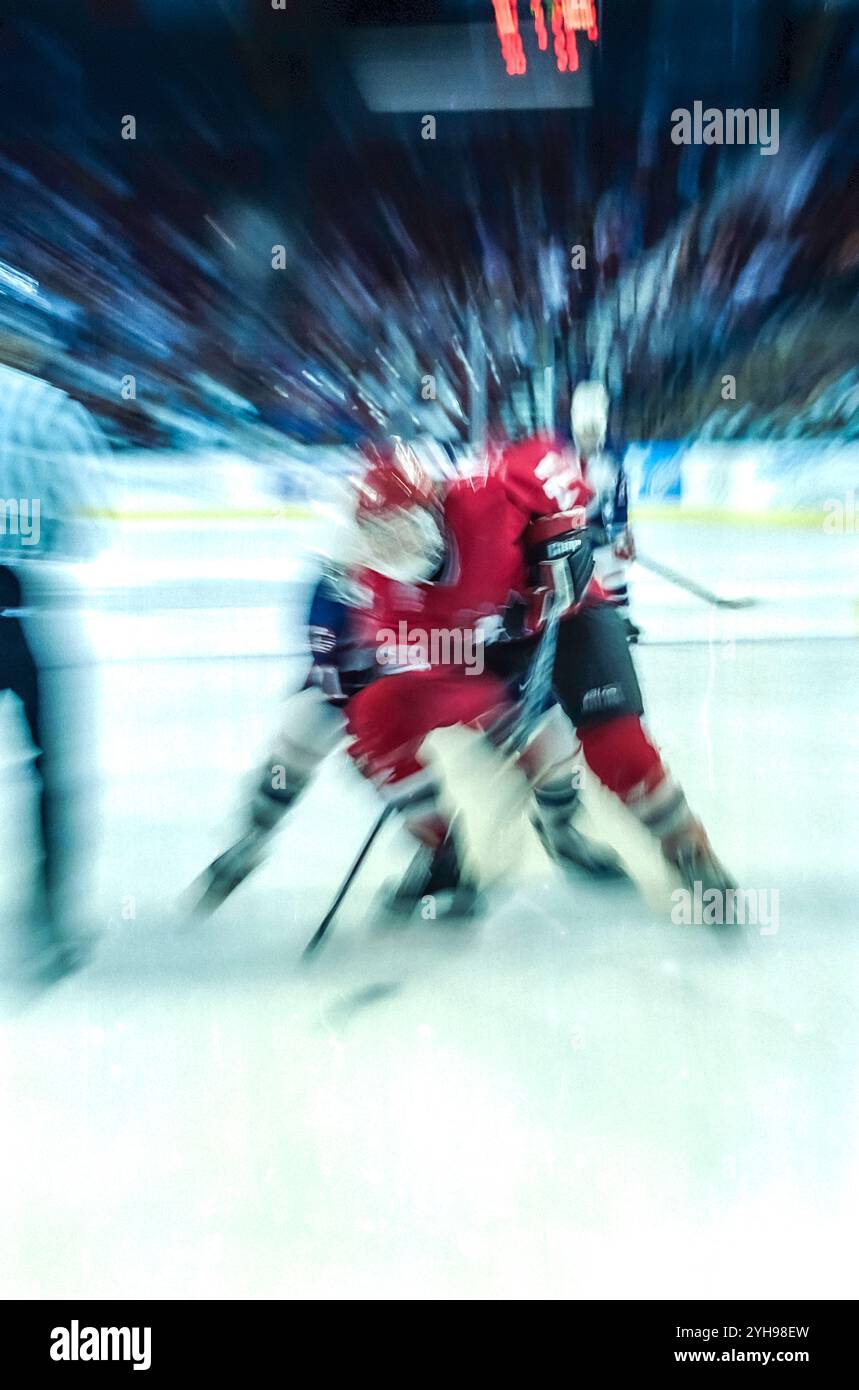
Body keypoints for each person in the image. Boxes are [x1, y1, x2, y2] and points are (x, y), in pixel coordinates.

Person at [0, 360, 105, 980]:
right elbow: (81, 532)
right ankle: (54, 914)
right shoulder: (46, 408)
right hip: (19, 607)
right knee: (51, 768)